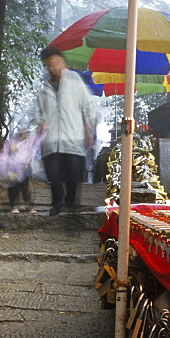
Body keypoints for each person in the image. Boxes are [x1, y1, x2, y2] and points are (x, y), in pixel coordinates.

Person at [32, 46, 97, 216]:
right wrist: (40, 123)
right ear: (47, 66)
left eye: (56, 62)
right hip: (51, 140)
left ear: (63, 63)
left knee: (73, 175)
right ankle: (57, 203)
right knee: (53, 175)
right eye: (50, 64)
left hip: (73, 137)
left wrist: (89, 128)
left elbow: (88, 105)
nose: (54, 67)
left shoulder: (74, 81)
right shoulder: (44, 89)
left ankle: (71, 201)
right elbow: (37, 111)